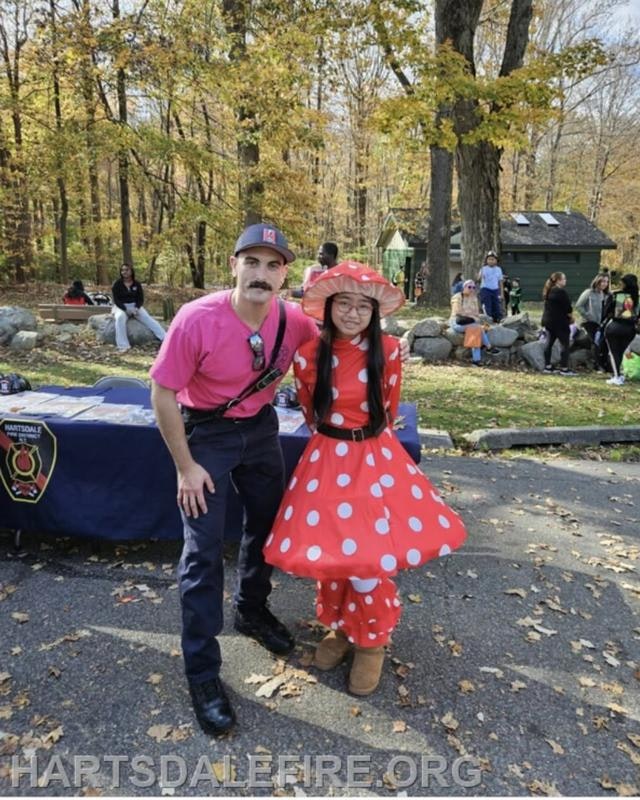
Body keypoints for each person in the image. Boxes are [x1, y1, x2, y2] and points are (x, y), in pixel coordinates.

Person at [149, 224, 410, 736]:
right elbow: (161, 394)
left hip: (262, 433)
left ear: (285, 274)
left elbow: (345, 342)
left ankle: (251, 609)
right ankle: (203, 673)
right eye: (253, 262)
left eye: (273, 265)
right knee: (202, 554)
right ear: (234, 264)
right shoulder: (195, 319)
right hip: (207, 437)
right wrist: (186, 466)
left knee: (265, 530)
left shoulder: (292, 321)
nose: (262, 274)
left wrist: (386, 346)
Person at [263, 262, 467, 696]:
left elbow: (389, 409)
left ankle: (372, 640)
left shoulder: (389, 350)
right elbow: (309, 408)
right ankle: (338, 626)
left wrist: (370, 452)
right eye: (344, 304)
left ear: (374, 313)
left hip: (371, 457)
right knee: (334, 550)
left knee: (366, 554)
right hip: (326, 458)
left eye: (362, 307)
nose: (353, 314)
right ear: (330, 306)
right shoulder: (308, 354)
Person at [112, 264, 166, 353]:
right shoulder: (117, 284)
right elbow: (116, 300)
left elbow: (140, 299)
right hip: (121, 307)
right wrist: (125, 309)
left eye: (126, 270)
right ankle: (123, 346)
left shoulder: (137, 284)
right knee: (120, 318)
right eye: (122, 270)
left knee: (148, 318)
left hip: (135, 306)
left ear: (131, 271)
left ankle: (164, 337)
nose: (124, 272)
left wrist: (136, 308)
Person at [449, 280, 500, 366]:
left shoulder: (474, 298)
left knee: (476, 329)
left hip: (471, 323)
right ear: (464, 287)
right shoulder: (457, 297)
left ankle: (476, 361)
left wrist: (469, 314)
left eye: (473, 287)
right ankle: (488, 347)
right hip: (457, 322)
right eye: (469, 287)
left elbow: (476, 314)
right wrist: (471, 315)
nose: (471, 289)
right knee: (478, 328)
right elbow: (457, 312)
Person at [602, 273, 639, 386]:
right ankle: (619, 374)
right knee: (621, 351)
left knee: (614, 352)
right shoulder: (636, 297)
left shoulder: (617, 295)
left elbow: (606, 310)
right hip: (630, 329)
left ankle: (616, 376)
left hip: (615, 326)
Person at [541, 272, 576, 376]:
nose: (565, 281)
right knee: (565, 344)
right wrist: (571, 317)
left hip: (548, 321)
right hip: (560, 322)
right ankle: (564, 368)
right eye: (564, 279)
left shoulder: (548, 291)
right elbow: (568, 308)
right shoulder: (561, 292)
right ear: (558, 280)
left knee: (549, 343)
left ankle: (547, 366)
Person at [574, 273, 609, 370]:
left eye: (606, 282)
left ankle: (606, 364)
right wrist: (588, 315)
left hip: (600, 323)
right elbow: (578, 306)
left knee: (604, 342)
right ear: (597, 281)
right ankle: (598, 365)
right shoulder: (588, 292)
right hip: (588, 322)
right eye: (602, 281)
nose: (604, 284)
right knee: (595, 342)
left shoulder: (606, 295)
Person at [478, 250, 503, 323]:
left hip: (495, 290)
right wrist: (480, 275)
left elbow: (500, 282)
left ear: (496, 260)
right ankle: (488, 320)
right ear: (486, 260)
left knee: (496, 306)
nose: (491, 261)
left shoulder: (499, 269)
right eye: (489, 259)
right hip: (485, 289)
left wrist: (501, 293)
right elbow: (478, 279)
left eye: (493, 259)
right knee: (487, 306)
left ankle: (497, 319)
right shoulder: (483, 269)